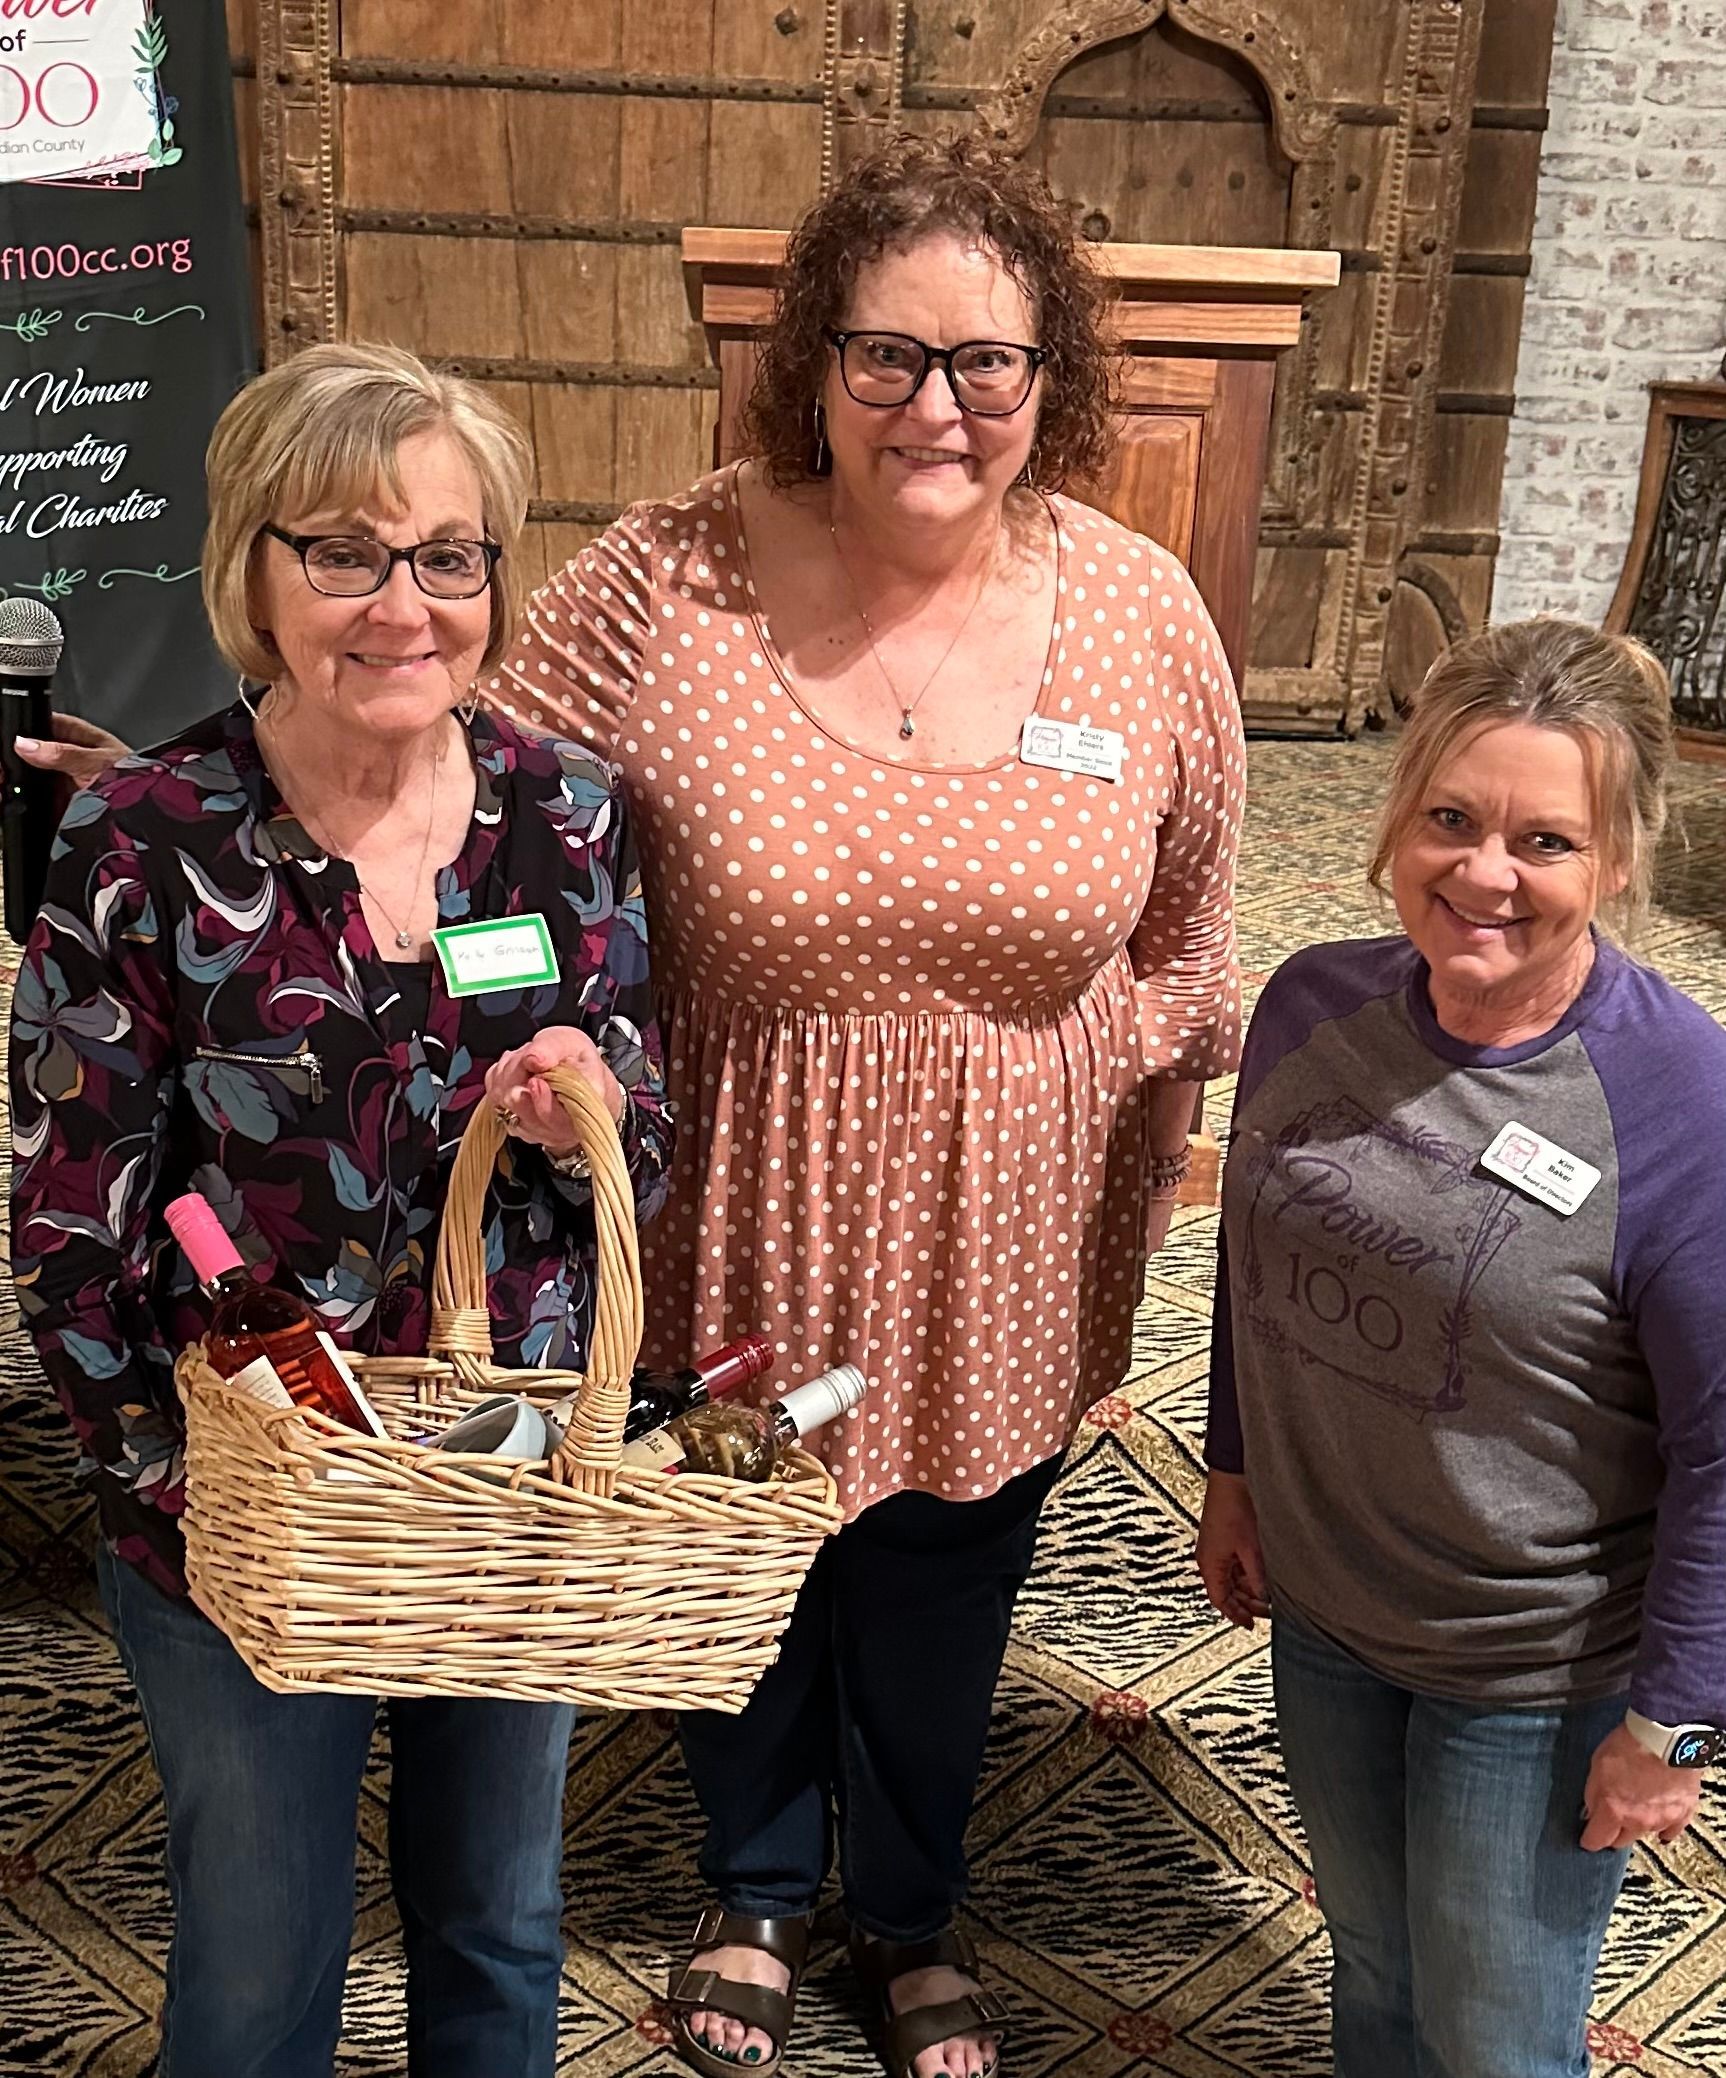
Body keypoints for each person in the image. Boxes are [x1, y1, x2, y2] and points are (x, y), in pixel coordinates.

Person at [489, 133, 1244, 2078]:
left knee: (940, 1573)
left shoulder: (1140, 609)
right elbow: (475, 782)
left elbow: (1186, 916)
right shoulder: (672, 570)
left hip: (1014, 1206)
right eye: (885, 353)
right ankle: (750, 1881)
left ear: (1045, 376)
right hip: (729, 1174)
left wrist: (1142, 1145)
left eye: (984, 361)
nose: (935, 402)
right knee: (742, 1535)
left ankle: (907, 1907)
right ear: (810, 357)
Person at [8, 342, 675, 2078]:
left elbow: (639, 1148)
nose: (404, 606)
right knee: (256, 1956)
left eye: (448, 555)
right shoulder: (144, 839)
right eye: (346, 552)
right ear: (254, 566)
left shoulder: (565, 816)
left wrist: (585, 1114)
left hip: (498, 1480)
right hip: (239, 1496)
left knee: (498, 1926)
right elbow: (75, 1218)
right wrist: (175, 1483)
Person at [1197, 618, 1726, 2078]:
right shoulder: (1310, 1000)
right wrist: (1232, 1475)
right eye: (1448, 818)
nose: (1481, 873)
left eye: (1542, 839)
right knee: (1371, 1976)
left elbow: (1725, 1450)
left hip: (1531, 1661)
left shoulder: (1678, 1097)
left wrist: (1674, 1718)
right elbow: (1256, 1264)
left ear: (1615, 859)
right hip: (1327, 1613)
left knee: (1494, 2038)